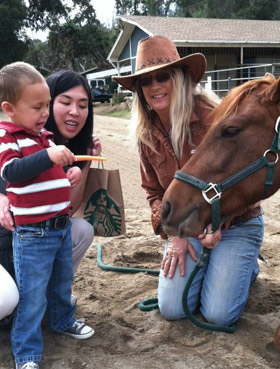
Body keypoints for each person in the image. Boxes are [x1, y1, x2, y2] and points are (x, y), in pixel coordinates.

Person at [113, 35, 264, 327]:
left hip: (235, 224)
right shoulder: (145, 135)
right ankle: (218, 268)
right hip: (186, 227)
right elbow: (154, 194)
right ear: (139, 90)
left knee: (218, 315)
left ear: (180, 78)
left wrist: (216, 225)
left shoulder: (216, 121)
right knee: (172, 309)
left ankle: (245, 265)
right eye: (145, 81)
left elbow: (246, 189)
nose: (155, 86)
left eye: (163, 76)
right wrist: (175, 236)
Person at [0, 61, 94, 369]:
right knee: (32, 295)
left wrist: (67, 177)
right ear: (9, 109)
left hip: (60, 226)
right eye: (37, 106)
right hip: (32, 233)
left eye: (46, 106)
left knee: (61, 283)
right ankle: (27, 353)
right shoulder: (8, 138)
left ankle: (62, 320)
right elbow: (13, 172)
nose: (44, 113)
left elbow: (47, 175)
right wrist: (48, 157)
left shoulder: (43, 137)